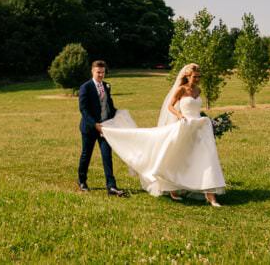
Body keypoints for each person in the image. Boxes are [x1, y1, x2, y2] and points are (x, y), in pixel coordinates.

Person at [101, 64, 226, 206]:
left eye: (199, 77)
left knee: (206, 158)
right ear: (187, 76)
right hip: (184, 125)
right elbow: (170, 106)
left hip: (199, 128)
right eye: (195, 77)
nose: (197, 79)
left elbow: (195, 107)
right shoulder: (181, 89)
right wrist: (179, 115)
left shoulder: (198, 90)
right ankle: (172, 187)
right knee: (177, 157)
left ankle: (210, 195)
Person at [77, 60, 127, 197]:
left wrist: (118, 115)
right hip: (89, 128)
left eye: (103, 72)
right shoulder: (85, 87)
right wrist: (95, 125)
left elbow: (108, 105)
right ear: (92, 72)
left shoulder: (106, 86)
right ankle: (82, 181)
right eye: (98, 72)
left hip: (105, 128)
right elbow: (83, 110)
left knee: (107, 156)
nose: (100, 75)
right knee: (86, 155)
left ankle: (111, 186)